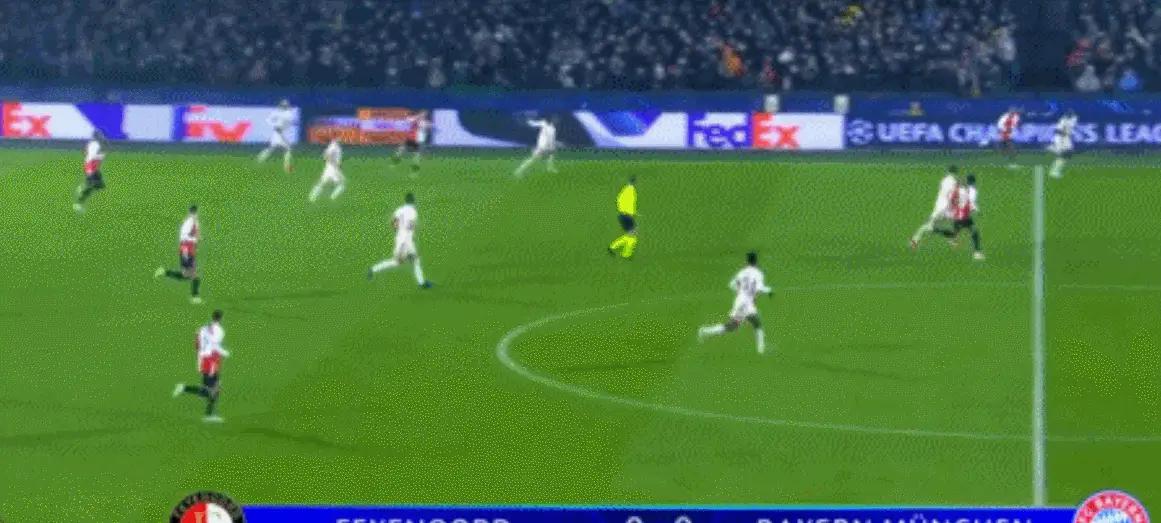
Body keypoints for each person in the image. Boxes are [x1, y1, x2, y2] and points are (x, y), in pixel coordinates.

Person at [697, 252, 775, 354]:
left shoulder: (742, 272)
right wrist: (769, 291)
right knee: (756, 324)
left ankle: (705, 331)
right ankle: (761, 350)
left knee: (734, 326)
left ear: (747, 261)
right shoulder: (758, 273)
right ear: (756, 261)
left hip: (739, 301)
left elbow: (731, 285)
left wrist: (740, 291)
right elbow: (759, 288)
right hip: (747, 303)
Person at [173, 309, 229, 423]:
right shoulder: (219, 331)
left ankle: (209, 414)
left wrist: (201, 356)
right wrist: (224, 353)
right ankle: (185, 389)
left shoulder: (203, 328)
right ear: (221, 318)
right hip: (211, 361)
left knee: (215, 388)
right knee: (210, 391)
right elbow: (215, 345)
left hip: (205, 360)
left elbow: (197, 344)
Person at [368, 193, 434, 289]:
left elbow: (393, 223)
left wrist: (399, 232)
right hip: (406, 241)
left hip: (401, 238)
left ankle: (422, 282)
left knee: (415, 260)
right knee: (398, 262)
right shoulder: (413, 212)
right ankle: (373, 269)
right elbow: (410, 226)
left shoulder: (399, 209)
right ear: (413, 201)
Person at [154, 205, 204, 304]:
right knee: (193, 274)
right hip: (186, 250)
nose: (195, 215)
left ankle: (164, 272)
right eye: (193, 213)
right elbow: (184, 237)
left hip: (191, 250)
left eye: (195, 213)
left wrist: (198, 238)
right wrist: (194, 239)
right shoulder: (187, 223)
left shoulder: (195, 222)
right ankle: (195, 297)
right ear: (191, 213)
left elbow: (196, 233)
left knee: (186, 275)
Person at [935, 174, 985, 261]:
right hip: (964, 216)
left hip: (959, 216)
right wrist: (976, 210)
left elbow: (953, 200)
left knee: (954, 234)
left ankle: (936, 230)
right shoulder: (971, 190)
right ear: (973, 182)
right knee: (974, 232)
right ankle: (977, 253)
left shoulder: (960, 189)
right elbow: (970, 202)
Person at [910, 166, 960, 250]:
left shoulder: (944, 180)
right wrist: (955, 203)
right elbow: (953, 195)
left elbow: (945, 192)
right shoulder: (954, 182)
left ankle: (951, 238)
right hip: (945, 208)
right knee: (931, 226)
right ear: (955, 172)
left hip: (939, 206)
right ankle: (915, 240)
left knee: (932, 225)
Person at [256, 99, 296, 173]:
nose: (284, 106)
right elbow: (269, 120)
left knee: (274, 148)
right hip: (278, 133)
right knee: (285, 149)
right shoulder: (283, 113)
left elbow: (287, 122)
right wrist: (275, 125)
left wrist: (276, 125)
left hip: (279, 133)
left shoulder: (283, 113)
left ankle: (260, 159)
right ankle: (286, 167)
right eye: (284, 105)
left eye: (285, 105)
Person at [74, 131, 106, 213]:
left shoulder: (91, 144)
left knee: (100, 185)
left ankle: (83, 187)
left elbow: (85, 152)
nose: (101, 138)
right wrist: (100, 156)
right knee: (92, 185)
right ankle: (78, 203)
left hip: (93, 166)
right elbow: (92, 156)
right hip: (91, 167)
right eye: (100, 136)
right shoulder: (96, 145)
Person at [392, 110, 431, 176]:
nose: (423, 115)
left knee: (416, 156)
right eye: (422, 114)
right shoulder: (414, 119)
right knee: (400, 150)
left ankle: (414, 171)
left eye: (424, 115)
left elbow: (427, 126)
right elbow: (409, 120)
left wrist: (425, 125)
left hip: (418, 141)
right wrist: (419, 116)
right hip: (410, 139)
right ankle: (395, 162)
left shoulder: (424, 122)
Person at [608, 176, 638, 259]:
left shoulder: (624, 190)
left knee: (632, 234)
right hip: (627, 216)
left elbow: (619, 200)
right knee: (633, 234)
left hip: (622, 215)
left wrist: (621, 209)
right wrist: (631, 212)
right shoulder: (631, 191)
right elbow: (631, 202)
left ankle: (617, 249)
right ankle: (623, 252)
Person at [1049, 110, 1078, 179]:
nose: (1071, 115)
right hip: (1061, 138)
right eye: (1069, 113)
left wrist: (1070, 134)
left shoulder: (1074, 118)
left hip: (1067, 138)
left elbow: (1072, 126)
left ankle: (1053, 148)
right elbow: (1057, 131)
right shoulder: (1063, 120)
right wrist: (1065, 133)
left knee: (1068, 154)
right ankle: (1054, 172)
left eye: (1071, 113)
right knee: (1064, 155)